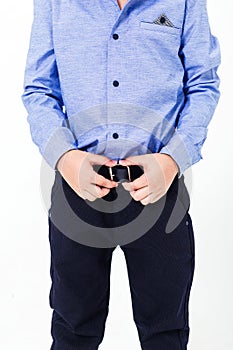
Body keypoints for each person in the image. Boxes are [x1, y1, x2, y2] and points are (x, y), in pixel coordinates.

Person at [22, 0, 220, 349]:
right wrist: (65, 158)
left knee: (166, 334)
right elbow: (39, 89)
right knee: (72, 331)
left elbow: (203, 84)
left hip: (159, 191)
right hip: (76, 191)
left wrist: (173, 160)